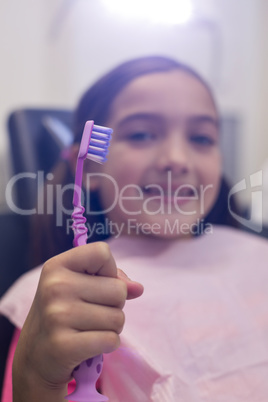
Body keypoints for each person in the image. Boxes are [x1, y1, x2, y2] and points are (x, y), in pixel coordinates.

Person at [1, 55, 268, 402]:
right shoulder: (65, 302)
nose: (177, 158)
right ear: (90, 168)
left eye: (201, 138)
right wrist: (37, 382)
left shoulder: (256, 252)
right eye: (141, 134)